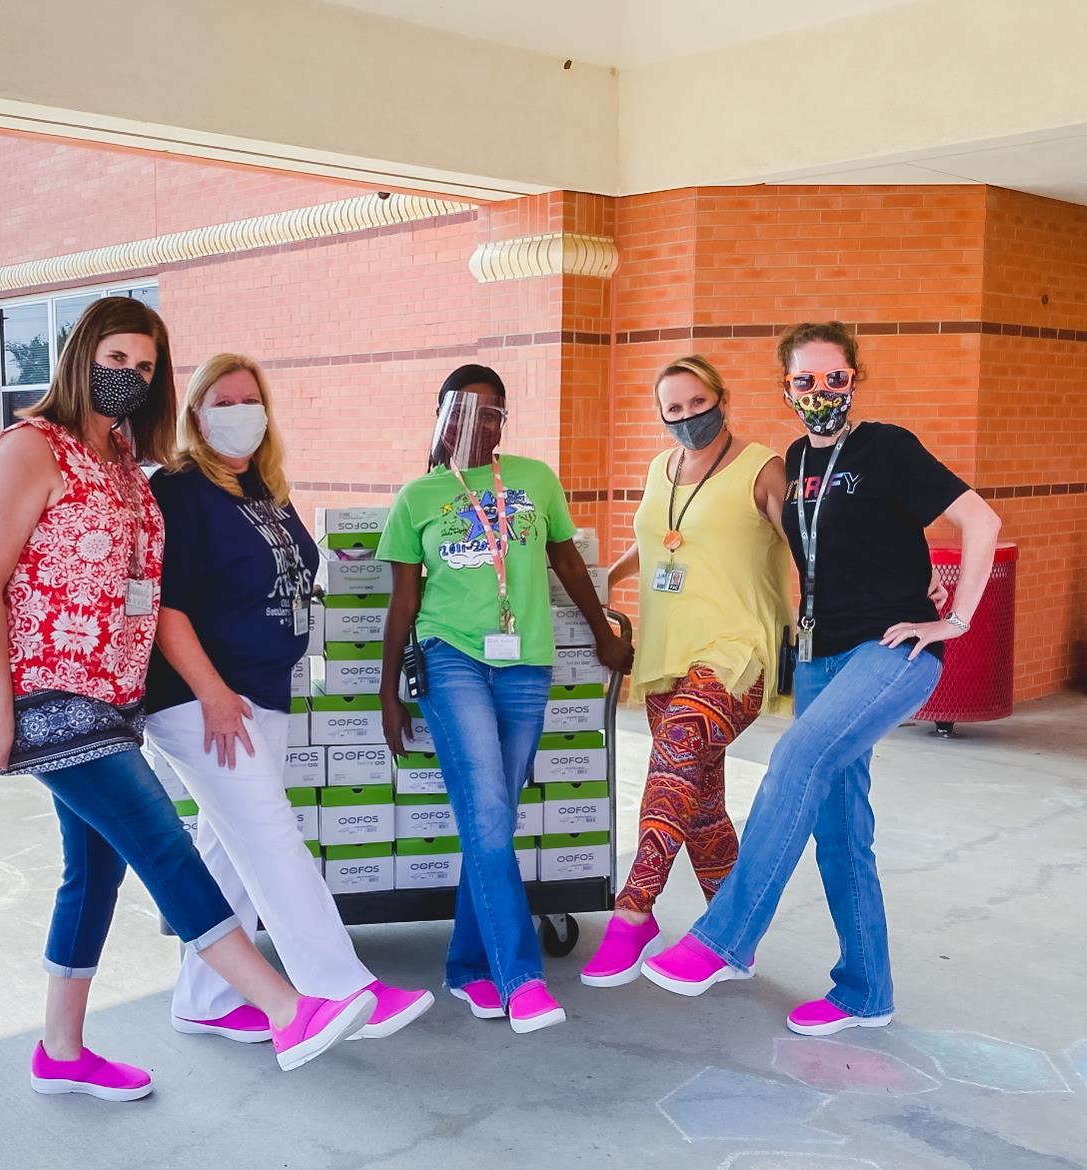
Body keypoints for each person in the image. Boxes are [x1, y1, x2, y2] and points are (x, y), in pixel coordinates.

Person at [0, 298, 375, 1101]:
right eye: (116, 359)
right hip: (48, 697)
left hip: (111, 697)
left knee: (94, 873)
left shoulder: (120, 460)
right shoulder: (29, 447)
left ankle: (61, 1050)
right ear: (82, 355)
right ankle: (285, 1008)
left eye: (145, 367)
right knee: (164, 846)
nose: (130, 377)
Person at [641, 322, 1002, 1037]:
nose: (819, 392)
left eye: (833, 378)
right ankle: (865, 990)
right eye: (803, 381)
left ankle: (723, 939)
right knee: (840, 831)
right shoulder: (796, 460)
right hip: (817, 656)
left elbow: (979, 521)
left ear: (854, 379)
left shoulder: (886, 448)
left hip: (889, 650)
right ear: (784, 388)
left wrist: (953, 619)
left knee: (796, 758)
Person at [143, 353, 434, 1045]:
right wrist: (212, 693)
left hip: (263, 692)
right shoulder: (180, 490)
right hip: (200, 697)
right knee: (270, 834)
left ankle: (205, 996)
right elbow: (164, 604)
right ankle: (341, 987)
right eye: (222, 401)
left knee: (230, 844)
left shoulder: (264, 489)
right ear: (194, 413)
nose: (239, 412)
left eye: (250, 399)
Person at [377, 364, 634, 1034]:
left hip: (525, 665)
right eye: (468, 409)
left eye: (495, 412)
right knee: (489, 812)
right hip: (450, 656)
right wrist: (386, 691)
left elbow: (566, 560)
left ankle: (466, 967)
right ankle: (520, 978)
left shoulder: (533, 479)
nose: (482, 422)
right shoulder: (417, 497)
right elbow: (404, 598)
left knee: (491, 818)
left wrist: (603, 629)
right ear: (441, 415)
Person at [579, 356, 794, 988]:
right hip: (667, 652)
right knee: (698, 804)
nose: (686, 418)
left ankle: (634, 909)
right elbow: (655, 541)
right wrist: (597, 585)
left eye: (697, 404)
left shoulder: (763, 467)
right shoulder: (659, 468)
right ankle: (732, 935)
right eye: (673, 409)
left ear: (721, 399)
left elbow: (807, 547)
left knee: (676, 750)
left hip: (740, 648)